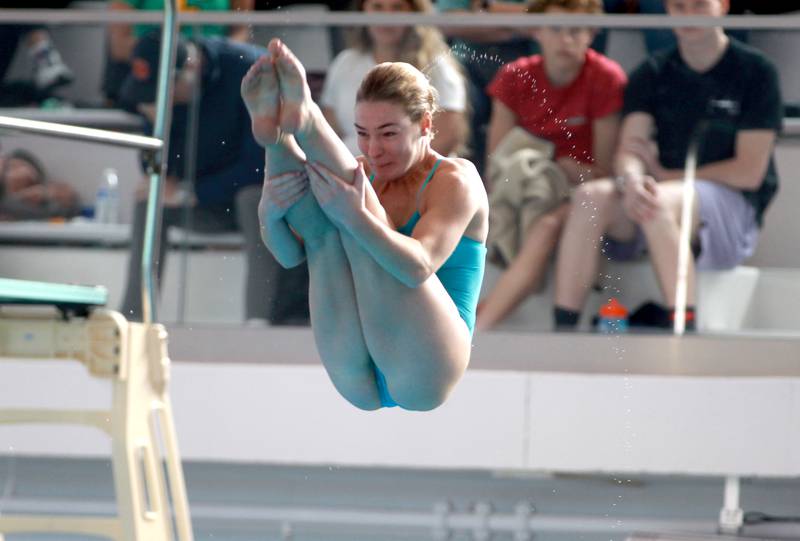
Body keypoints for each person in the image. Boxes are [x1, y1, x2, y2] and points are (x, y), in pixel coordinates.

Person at [241, 39, 488, 411]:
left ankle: (306, 119)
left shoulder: (455, 180)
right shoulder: (362, 173)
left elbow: (418, 266)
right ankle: (276, 137)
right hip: (356, 371)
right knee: (324, 236)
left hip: (426, 367)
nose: (373, 150)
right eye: (362, 133)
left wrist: (355, 218)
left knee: (355, 217)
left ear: (425, 125)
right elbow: (290, 255)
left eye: (389, 133)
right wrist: (267, 215)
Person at [552, 0, 782, 331]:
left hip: (730, 211)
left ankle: (682, 327)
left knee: (660, 199)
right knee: (590, 196)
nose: (688, 15)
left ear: (723, 7)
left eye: (699, 5)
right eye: (678, 6)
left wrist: (666, 177)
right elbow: (630, 148)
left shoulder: (756, 71)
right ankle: (564, 326)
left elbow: (749, 172)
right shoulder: (651, 72)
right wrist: (631, 180)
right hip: (660, 197)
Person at [118, 32, 308, 325]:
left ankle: (257, 323)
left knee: (253, 199)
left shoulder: (249, 69)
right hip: (205, 204)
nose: (160, 99)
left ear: (191, 70)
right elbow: (154, 170)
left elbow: (262, 163)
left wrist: (194, 193)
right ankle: (133, 319)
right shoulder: (160, 95)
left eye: (166, 91)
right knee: (150, 201)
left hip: (256, 203)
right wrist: (160, 126)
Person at [475, 0, 626, 331]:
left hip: (582, 196)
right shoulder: (514, 77)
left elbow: (604, 171)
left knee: (547, 226)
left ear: (592, 33)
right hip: (524, 194)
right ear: (537, 31)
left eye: (575, 30)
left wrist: (567, 170)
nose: (565, 40)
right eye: (556, 28)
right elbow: (498, 163)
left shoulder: (605, 78)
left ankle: (478, 329)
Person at [320, 0, 468, 158]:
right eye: (377, 7)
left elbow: (446, 138)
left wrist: (388, 174)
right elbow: (329, 131)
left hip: (417, 177)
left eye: (397, 7)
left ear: (414, 13)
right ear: (363, 11)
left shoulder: (438, 66)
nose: (387, 16)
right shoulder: (345, 62)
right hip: (351, 174)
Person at [437, 0, 538, 175]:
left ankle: (503, 185)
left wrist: (488, 10)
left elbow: (546, 17)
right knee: (456, 91)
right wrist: (517, 25)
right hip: (467, 61)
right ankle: (459, 180)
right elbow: (448, 21)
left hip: (528, 62)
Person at [105, 0, 254, 106]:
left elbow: (241, 31)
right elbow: (119, 45)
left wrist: (206, 56)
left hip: (213, 80)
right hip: (152, 83)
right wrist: (169, 53)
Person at [0, 149, 79, 221]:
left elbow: (70, 209)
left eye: (20, 166)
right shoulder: (8, 205)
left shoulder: (42, 200)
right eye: (11, 168)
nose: (23, 171)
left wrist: (47, 194)